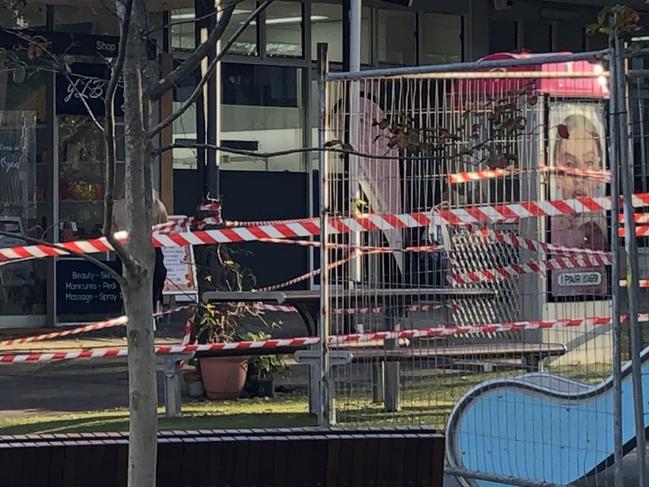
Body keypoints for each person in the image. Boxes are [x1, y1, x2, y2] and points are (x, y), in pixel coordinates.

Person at [550, 111, 607, 296]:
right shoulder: (547, 231)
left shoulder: (603, 233)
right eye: (569, 164)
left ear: (601, 174)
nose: (580, 176)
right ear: (556, 176)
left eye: (589, 163)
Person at [113, 190, 169, 308]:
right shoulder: (157, 205)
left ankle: (128, 304)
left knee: (126, 279)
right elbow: (165, 228)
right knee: (157, 276)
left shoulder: (117, 207)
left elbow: (112, 232)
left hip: (124, 250)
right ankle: (153, 304)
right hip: (150, 249)